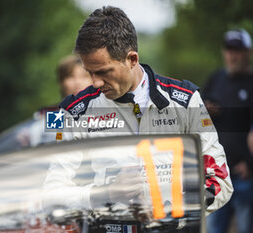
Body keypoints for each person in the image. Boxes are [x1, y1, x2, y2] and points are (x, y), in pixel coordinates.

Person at [43, 5, 233, 224]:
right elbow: (50, 196)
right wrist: (106, 193)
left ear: (132, 59)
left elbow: (219, 181)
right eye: (90, 72)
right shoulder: (70, 112)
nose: (95, 82)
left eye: (104, 72)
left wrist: (166, 214)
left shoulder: (186, 100)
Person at [203, 29, 253, 233]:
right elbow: (197, 110)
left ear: (248, 52)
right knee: (214, 229)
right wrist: (207, 109)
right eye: (229, 50)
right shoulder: (216, 78)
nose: (232, 55)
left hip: (244, 175)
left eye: (237, 50)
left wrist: (250, 164)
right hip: (216, 175)